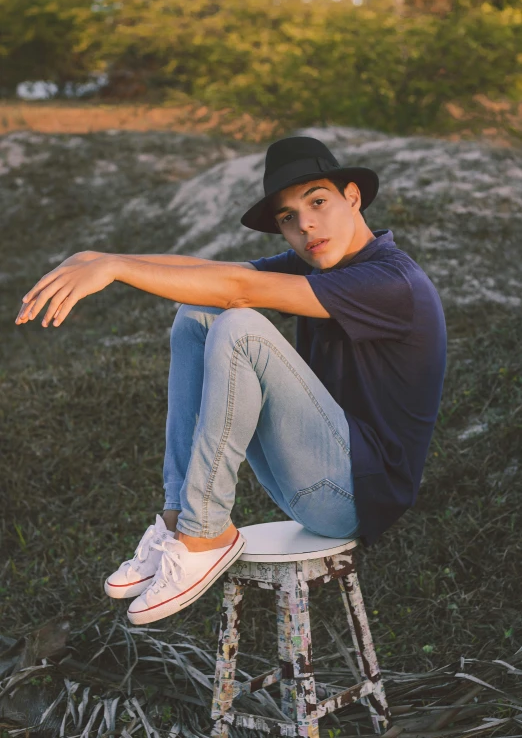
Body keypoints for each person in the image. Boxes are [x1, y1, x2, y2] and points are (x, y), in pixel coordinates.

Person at [15, 136, 447, 626]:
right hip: (310, 476)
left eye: (318, 202)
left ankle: (206, 531)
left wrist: (116, 271)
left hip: (354, 497)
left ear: (352, 197)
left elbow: (240, 290)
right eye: (288, 217)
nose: (304, 225)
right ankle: (178, 518)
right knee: (199, 312)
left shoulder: (393, 283)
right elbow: (217, 274)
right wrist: (103, 256)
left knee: (240, 326)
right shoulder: (327, 265)